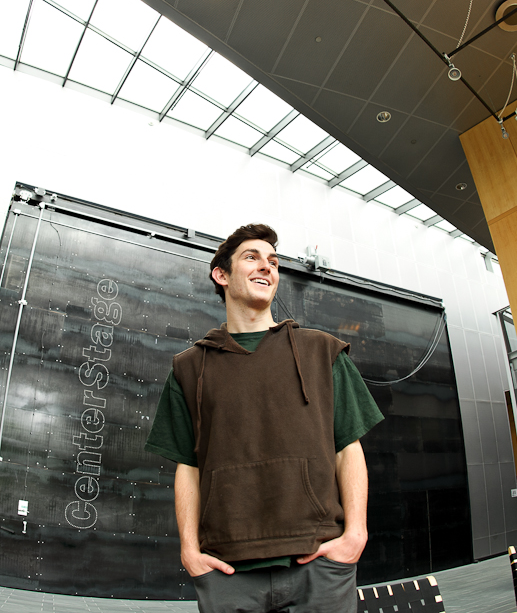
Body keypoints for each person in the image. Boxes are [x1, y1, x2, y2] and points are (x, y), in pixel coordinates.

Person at [145, 224, 383, 613]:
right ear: (221, 275)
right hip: (227, 572)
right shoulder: (189, 368)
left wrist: (355, 533)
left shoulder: (323, 352)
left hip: (319, 562)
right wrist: (190, 550)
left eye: (273, 261)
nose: (267, 267)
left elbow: (348, 449)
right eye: (251, 258)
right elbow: (186, 466)